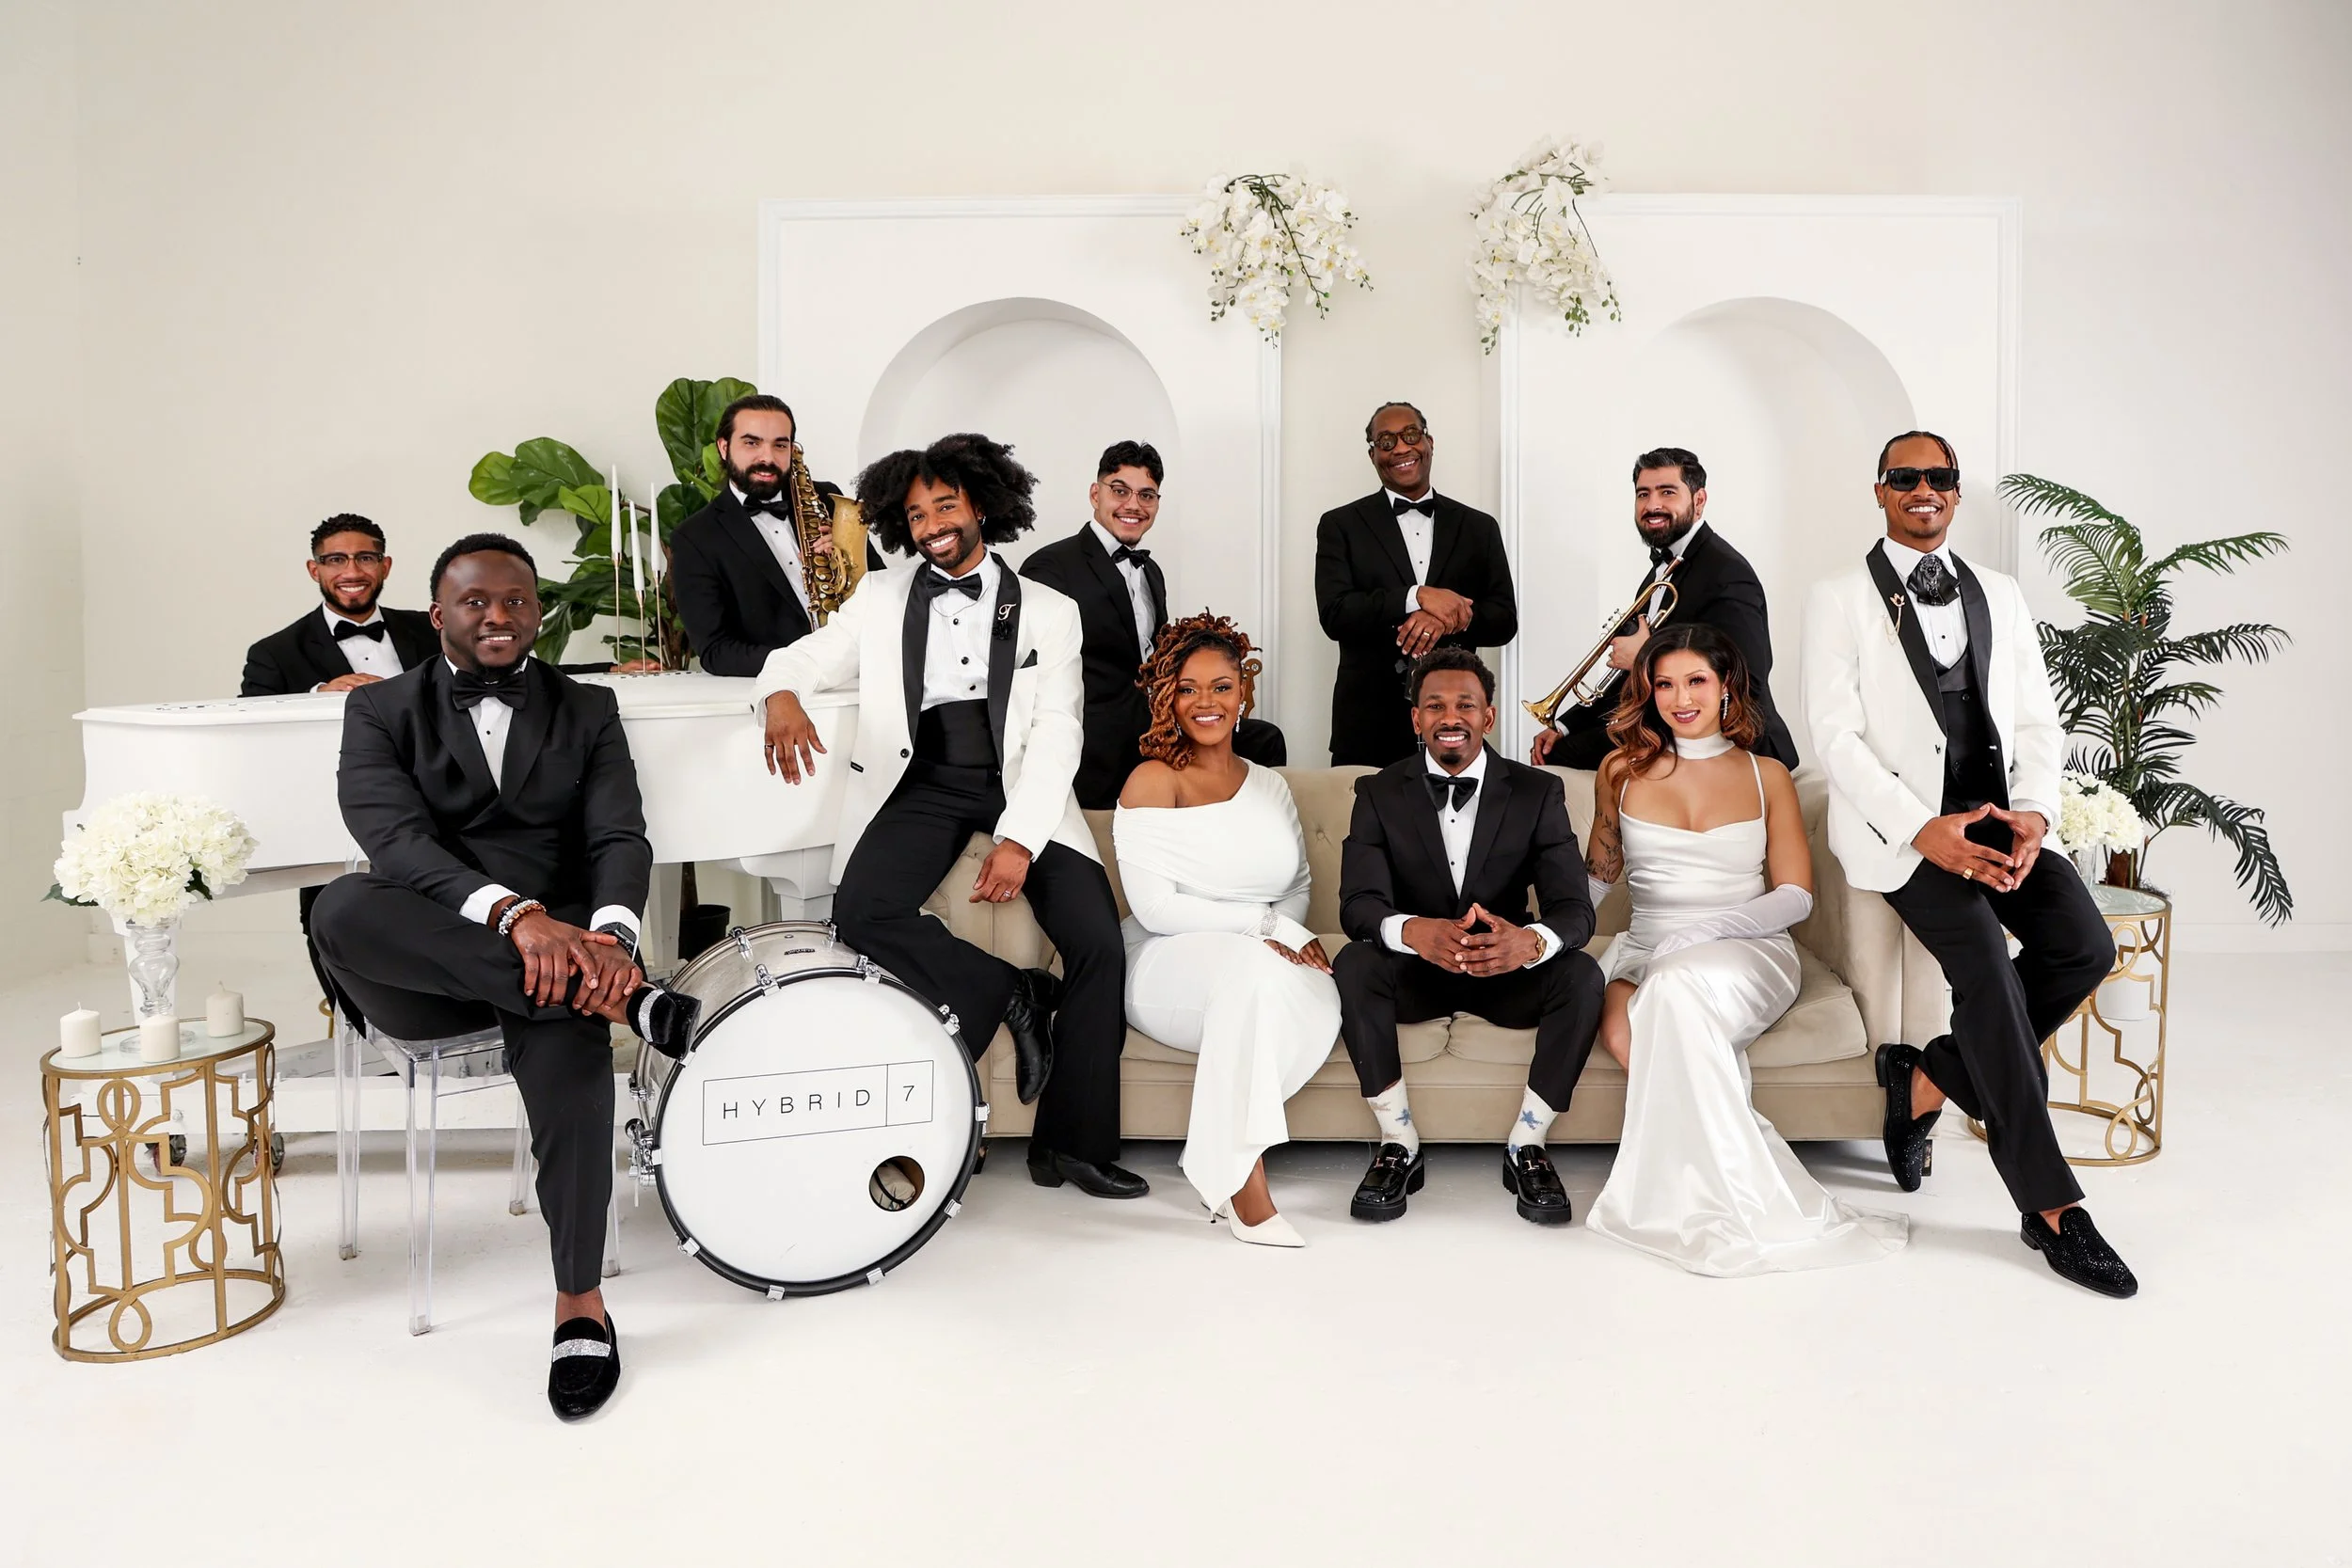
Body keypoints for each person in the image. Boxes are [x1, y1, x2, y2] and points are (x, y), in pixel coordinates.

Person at [310, 533, 701, 1420]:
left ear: (538, 611)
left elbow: (618, 837)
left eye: (517, 600)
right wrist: (519, 918)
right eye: (477, 601)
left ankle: (580, 1304)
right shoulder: (379, 711)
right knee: (341, 907)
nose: (498, 616)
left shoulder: (588, 705)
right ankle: (623, 998)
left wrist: (606, 934)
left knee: (571, 1077)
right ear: (437, 612)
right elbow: (396, 844)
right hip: (431, 954)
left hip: (559, 965)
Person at [757, 433, 1144, 1200]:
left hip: (1022, 782)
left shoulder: (1049, 609)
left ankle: (1075, 1146)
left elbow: (1062, 727)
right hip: (922, 777)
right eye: (916, 512)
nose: (932, 522)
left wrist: (1019, 839)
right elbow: (807, 656)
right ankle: (1011, 993)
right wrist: (778, 693)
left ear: (981, 505)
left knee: (1098, 941)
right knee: (862, 912)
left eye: (946, 504)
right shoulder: (880, 595)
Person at [1803, 431, 2136, 1298]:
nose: (1924, 490)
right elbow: (1834, 739)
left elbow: (2035, 721)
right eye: (1906, 477)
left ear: (1955, 494)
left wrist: (2032, 812)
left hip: (1998, 821)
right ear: (1880, 490)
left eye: (1939, 478)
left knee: (2085, 947)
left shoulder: (2001, 591)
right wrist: (1923, 830)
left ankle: (1933, 1074)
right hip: (1901, 834)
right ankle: (2052, 1206)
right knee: (1985, 964)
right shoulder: (1837, 597)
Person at [1581, 623, 1907, 1275]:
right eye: (1665, 683)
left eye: (1696, 680)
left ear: (1727, 686)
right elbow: (1597, 877)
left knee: (1672, 990)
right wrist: (1548, 935)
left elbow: (1794, 896)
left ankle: (1735, 1206)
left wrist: (1700, 933)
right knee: (1631, 1033)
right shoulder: (1619, 770)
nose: (1680, 697)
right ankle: (1699, 1195)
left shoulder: (1767, 774)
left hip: (1749, 946)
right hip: (1645, 945)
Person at [1332, 647, 1604, 1224]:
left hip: (1503, 974)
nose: (1449, 716)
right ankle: (1397, 1143)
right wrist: (1412, 931)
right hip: (1417, 972)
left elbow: (1575, 911)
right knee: (1356, 962)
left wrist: (1529, 942)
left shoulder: (1538, 792)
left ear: (1489, 716)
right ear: (1416, 719)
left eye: (1464, 704)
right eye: (1434, 705)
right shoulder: (1377, 792)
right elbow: (1358, 907)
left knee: (1582, 974)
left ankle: (1527, 1145)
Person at [1114, 613, 1337, 1246]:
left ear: (1244, 694)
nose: (1206, 702)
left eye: (1221, 686)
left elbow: (1295, 885)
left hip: (1265, 954)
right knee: (1247, 974)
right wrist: (1263, 927)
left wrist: (1280, 931)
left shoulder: (1270, 785)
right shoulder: (1154, 779)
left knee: (1278, 982)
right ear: (1166, 695)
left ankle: (1229, 1161)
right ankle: (1243, 1185)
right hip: (1166, 959)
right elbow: (1156, 908)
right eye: (1188, 688)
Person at [1022, 440, 1286, 806]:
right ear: (1095, 494)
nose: (1134, 504)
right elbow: (1028, 679)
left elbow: (1155, 661)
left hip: (1156, 727)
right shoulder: (1050, 567)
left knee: (1265, 739)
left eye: (1147, 495)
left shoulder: (1151, 572)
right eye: (1120, 491)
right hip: (1094, 742)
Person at [1532, 448, 1799, 770]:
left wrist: (1646, 656)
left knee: (1566, 757)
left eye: (1667, 492)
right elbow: (1627, 680)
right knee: (1558, 749)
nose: (1652, 505)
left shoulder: (1727, 574)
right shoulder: (1663, 570)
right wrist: (1565, 725)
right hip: (1673, 725)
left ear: (1699, 501)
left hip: (1733, 739)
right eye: (1643, 494)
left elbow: (1749, 677)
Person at [1315, 402, 1518, 766]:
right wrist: (1416, 597)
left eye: (1410, 435)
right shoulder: (1340, 525)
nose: (1401, 448)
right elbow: (1335, 613)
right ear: (1373, 454)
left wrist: (1444, 616)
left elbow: (1504, 619)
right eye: (1386, 441)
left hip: (1457, 725)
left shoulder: (1478, 527)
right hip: (1367, 727)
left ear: (1429, 442)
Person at [670, 393, 882, 676]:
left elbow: (883, 591)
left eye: (779, 445)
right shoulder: (694, 537)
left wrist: (848, 560)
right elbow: (714, 650)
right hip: (780, 688)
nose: (767, 457)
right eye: (751, 443)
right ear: (723, 447)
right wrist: (804, 661)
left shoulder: (825, 499)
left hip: (865, 677)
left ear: (792, 449)